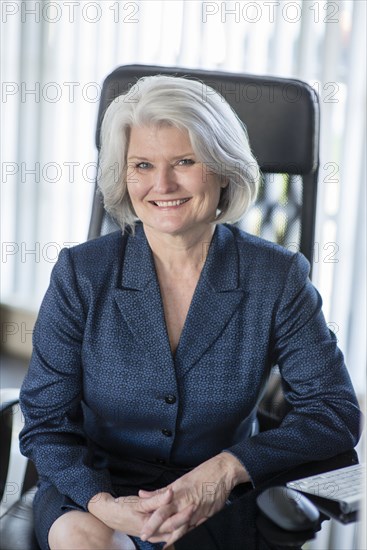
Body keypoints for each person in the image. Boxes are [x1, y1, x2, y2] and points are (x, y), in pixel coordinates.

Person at [19, 75, 361, 550]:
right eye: (143, 164)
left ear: (223, 169)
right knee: (86, 539)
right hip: (95, 484)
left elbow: (334, 413)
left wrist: (227, 469)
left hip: (220, 490)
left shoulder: (276, 277)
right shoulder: (82, 273)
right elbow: (46, 421)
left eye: (185, 161)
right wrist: (103, 502)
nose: (162, 184)